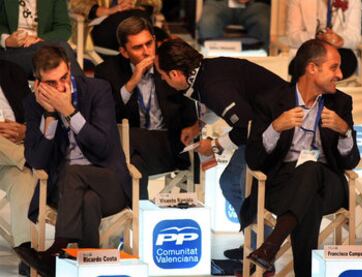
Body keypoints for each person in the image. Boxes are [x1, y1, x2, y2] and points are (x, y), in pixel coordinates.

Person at [155, 38, 287, 260]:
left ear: (176, 74)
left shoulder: (211, 86)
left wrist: (215, 145)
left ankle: (263, 248)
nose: (163, 80)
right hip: (266, 124)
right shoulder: (205, 71)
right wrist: (199, 126)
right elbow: (224, 104)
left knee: (235, 184)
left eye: (163, 75)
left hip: (280, 130)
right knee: (231, 182)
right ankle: (257, 244)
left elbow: (246, 127)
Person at [242, 39, 360, 277]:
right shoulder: (271, 101)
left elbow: (351, 162)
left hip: (329, 183)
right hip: (281, 184)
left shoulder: (340, 102)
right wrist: (275, 127)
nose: (340, 74)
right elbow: (253, 160)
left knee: (311, 170)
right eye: (334, 67)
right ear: (312, 68)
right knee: (309, 201)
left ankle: (270, 246)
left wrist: (344, 130)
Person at [13, 45, 131, 277]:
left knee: (73, 173)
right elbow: (36, 161)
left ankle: (57, 250)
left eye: (64, 78)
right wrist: (49, 115)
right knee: (87, 199)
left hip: (108, 182)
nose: (60, 87)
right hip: (69, 192)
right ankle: (85, 265)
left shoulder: (98, 90)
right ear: (38, 83)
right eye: (51, 83)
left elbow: (104, 147)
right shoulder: (33, 104)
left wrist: (68, 110)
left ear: (69, 68)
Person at [95, 17, 197, 199]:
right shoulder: (106, 71)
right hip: (131, 153)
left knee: (128, 140)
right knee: (134, 163)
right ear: (124, 52)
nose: (146, 52)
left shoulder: (171, 64)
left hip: (169, 146)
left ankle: (130, 215)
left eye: (149, 43)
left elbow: (188, 115)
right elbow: (106, 118)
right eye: (137, 47)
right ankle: (139, 215)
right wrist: (131, 83)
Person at [0, 60, 37, 276]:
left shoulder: (11, 71)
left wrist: (24, 130)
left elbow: (33, 115)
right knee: (28, 163)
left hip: (11, 158)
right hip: (18, 154)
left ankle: (28, 256)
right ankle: (32, 158)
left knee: (24, 180)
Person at [0, 0, 83, 79]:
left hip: (42, 48)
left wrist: (38, 39)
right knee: (61, 50)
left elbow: (63, 28)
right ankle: (84, 90)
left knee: (60, 51)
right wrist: (6, 40)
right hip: (8, 53)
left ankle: (81, 90)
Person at [286, 0, 362, 80]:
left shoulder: (354, 1)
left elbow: (355, 37)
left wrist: (341, 40)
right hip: (309, 50)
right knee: (306, 63)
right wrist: (317, 37)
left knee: (344, 60)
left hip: (341, 52)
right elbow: (292, 37)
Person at [69, 0, 161, 51]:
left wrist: (138, 8)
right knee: (137, 20)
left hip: (134, 23)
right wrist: (108, 11)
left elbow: (155, 4)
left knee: (138, 17)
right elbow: (75, 4)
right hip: (99, 28)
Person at [198, 0, 270, 51]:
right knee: (208, 21)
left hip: (256, 4)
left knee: (263, 22)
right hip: (219, 2)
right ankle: (211, 63)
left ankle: (258, 64)